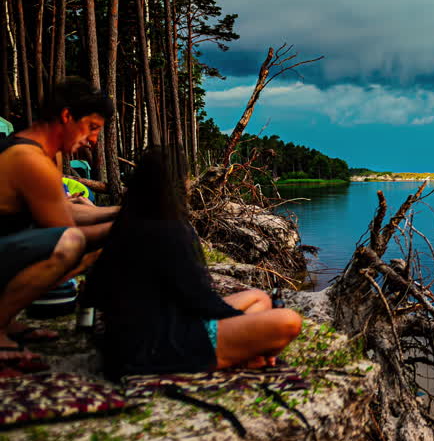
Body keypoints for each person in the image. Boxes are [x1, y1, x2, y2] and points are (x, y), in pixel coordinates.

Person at [85, 147, 302, 377]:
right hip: (161, 347)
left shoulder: (126, 224)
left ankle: (246, 350)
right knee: (289, 321)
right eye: (186, 178)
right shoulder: (171, 231)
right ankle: (240, 355)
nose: (189, 184)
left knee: (259, 297)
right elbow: (201, 302)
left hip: (143, 336)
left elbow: (92, 295)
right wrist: (244, 325)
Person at [0, 78, 116, 360]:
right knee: (71, 244)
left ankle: (6, 321)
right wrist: (123, 226)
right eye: (92, 128)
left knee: (94, 245)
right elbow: (64, 231)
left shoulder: (38, 153)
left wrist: (125, 211)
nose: (93, 141)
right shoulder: (28, 159)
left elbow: (66, 209)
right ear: (67, 116)